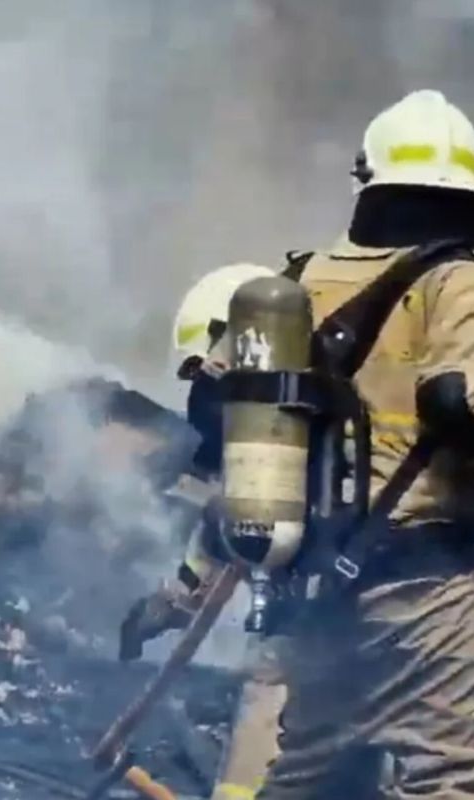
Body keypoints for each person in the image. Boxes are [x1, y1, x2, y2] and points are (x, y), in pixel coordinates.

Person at [254, 89, 474, 800]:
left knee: (317, 776)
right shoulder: (460, 279)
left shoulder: (299, 280)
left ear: (369, 181)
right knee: (466, 776)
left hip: (312, 586)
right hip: (417, 585)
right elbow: (469, 401)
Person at [120, 261, 291, 800]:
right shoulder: (292, 411)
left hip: (356, 602)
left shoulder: (283, 421)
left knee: (273, 691)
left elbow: (240, 513)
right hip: (371, 596)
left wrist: (173, 600)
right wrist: (172, 599)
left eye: (206, 371)